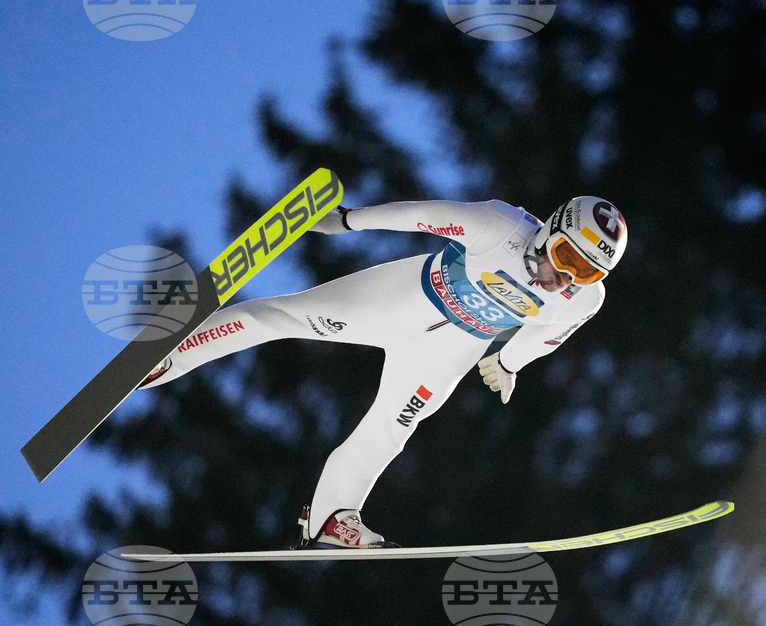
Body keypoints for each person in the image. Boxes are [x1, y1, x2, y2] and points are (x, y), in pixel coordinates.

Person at [139, 196, 627, 548]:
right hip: (399, 301)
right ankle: (171, 355)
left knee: (394, 427)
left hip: (447, 351)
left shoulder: (586, 298)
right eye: (566, 258)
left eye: (584, 272)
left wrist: (507, 361)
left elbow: (550, 334)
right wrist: (349, 221)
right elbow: (421, 215)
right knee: (279, 317)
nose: (565, 277)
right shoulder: (499, 226)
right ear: (549, 231)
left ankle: (331, 516)